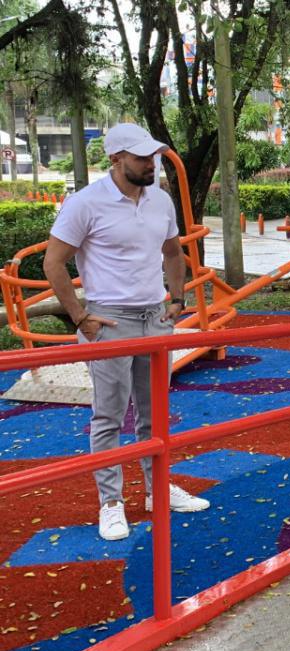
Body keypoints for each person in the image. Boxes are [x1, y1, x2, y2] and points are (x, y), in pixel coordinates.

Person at [42, 123, 210, 541]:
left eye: (153, 156)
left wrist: (176, 300)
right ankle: (111, 502)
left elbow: (173, 252)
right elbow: (53, 262)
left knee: (155, 413)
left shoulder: (160, 200)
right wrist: (82, 317)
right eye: (140, 158)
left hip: (154, 315)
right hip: (109, 318)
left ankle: (157, 490)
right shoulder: (86, 203)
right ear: (116, 158)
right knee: (109, 415)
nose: (151, 164)